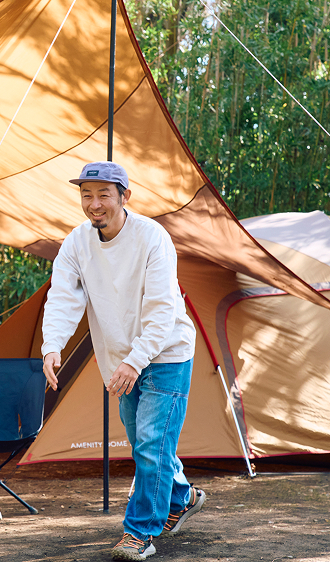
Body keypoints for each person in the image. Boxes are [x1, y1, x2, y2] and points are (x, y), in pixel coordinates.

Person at [41, 162, 205, 562]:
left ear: (124, 196)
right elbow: (63, 296)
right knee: (145, 444)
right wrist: (52, 345)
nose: (94, 204)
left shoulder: (151, 237)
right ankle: (181, 498)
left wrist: (136, 361)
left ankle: (139, 533)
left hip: (165, 353)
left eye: (103, 195)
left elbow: (162, 308)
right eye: (87, 195)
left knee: (150, 442)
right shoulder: (77, 243)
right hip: (119, 359)